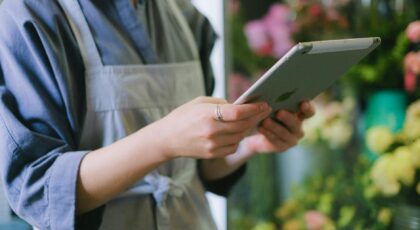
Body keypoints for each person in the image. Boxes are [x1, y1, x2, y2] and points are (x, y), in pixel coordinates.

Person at [0, 0, 314, 229]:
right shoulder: (28, 14)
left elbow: (197, 170)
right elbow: (38, 191)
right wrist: (163, 140)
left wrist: (249, 143)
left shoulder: (185, 16)